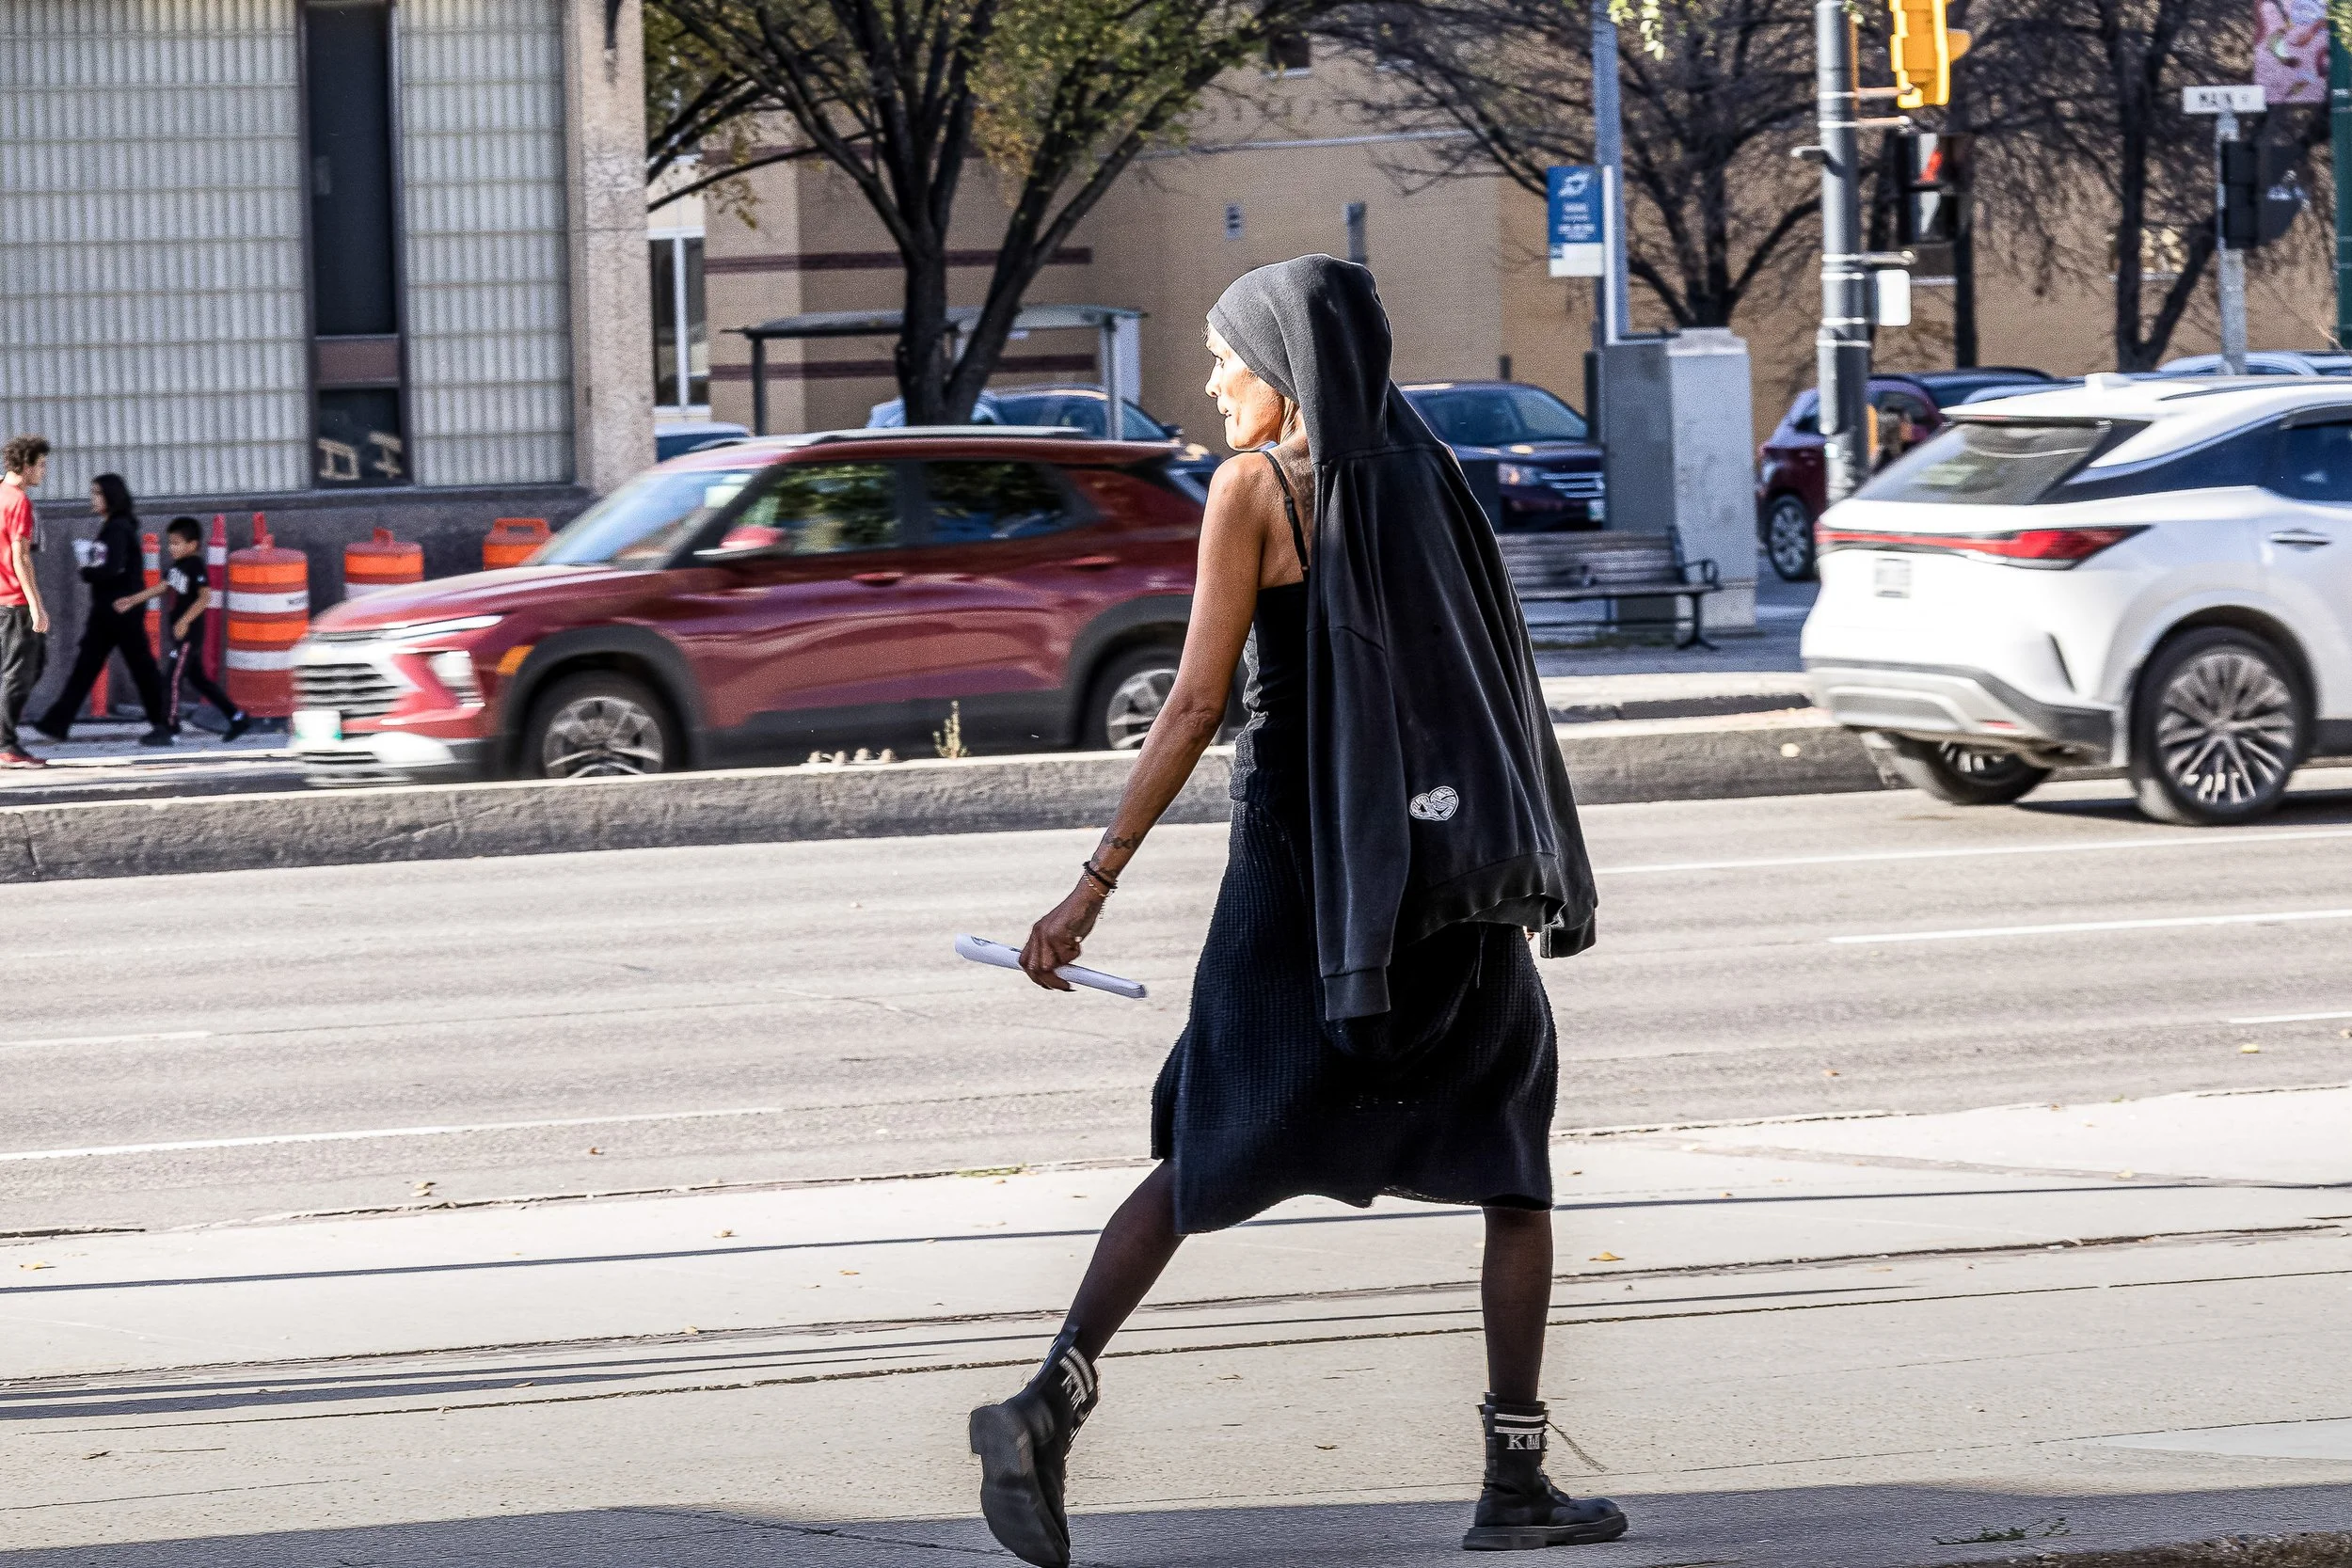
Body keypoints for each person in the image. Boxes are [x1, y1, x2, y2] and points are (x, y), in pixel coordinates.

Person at [967, 256, 1622, 1564]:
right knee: (1510, 1160)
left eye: (1228, 361)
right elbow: (1498, 676)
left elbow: (1199, 702)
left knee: (1210, 1128)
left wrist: (1091, 883)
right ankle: (1512, 1475)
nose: (1213, 387)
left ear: (1286, 371)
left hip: (1302, 873)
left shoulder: (1257, 491)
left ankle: (1047, 1403)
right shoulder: (1433, 481)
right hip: (1451, 882)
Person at [32, 473, 172, 745]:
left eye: (97, 493)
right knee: (87, 666)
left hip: (121, 610)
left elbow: (111, 567)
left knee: (141, 669)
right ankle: (57, 721)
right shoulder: (114, 526)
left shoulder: (117, 528)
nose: (93, 498)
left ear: (111, 496)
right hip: (109, 612)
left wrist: (87, 570)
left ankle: (164, 724)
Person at [113, 517, 247, 741]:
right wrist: (133, 600)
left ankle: (169, 728)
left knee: (172, 680)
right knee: (199, 680)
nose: (171, 548)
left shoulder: (195, 565)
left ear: (192, 545)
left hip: (189, 635)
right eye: (170, 543)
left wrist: (185, 621)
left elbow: (205, 597)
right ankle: (237, 718)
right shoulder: (178, 567)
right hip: (182, 635)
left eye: (177, 543)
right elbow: (164, 587)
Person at [0, 435, 53, 768]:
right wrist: (36, 604)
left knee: (27, 666)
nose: (44, 473)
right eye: (42, 465)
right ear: (26, 465)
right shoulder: (19, 501)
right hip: (15, 599)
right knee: (19, 673)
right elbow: (21, 557)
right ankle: (5, 745)